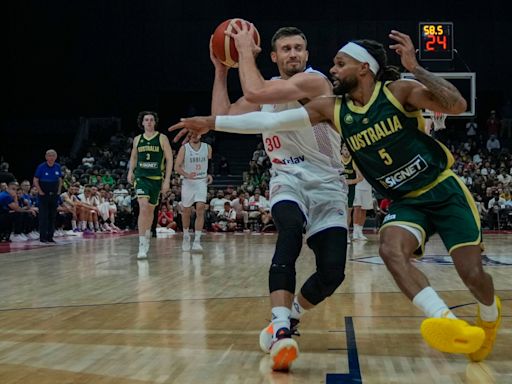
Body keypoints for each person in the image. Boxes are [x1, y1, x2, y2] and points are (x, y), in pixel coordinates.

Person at [172, 30, 501, 362]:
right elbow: (260, 115)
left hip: (413, 188)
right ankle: (444, 321)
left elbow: (458, 104)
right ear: (273, 56)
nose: (331, 68)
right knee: (380, 248)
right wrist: (214, 109)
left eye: (339, 63)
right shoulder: (332, 107)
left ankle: (488, 316)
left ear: (363, 68)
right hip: (352, 191)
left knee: (467, 274)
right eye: (286, 48)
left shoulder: (352, 87)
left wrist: (415, 67)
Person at [174, 25, 349, 371]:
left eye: (299, 47)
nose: (293, 54)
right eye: (286, 49)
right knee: (289, 230)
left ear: (307, 54)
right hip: (287, 180)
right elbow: (223, 115)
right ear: (273, 56)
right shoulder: (265, 92)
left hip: (328, 185)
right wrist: (222, 70)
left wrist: (241, 52)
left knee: (332, 274)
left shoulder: (315, 83)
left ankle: (289, 317)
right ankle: (281, 326)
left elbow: (253, 93)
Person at [128, 111, 173, 259]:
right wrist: (130, 172)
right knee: (143, 206)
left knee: (151, 210)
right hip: (141, 177)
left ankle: (147, 233)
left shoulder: (162, 138)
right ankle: (141, 245)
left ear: (155, 122)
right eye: (146, 120)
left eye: (151, 120)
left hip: (156, 178)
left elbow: (169, 159)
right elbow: (134, 156)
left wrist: (167, 180)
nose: (148, 122)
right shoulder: (137, 139)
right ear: (142, 123)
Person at [174, 135, 213, 251]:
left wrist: (209, 174)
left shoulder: (207, 147)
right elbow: (177, 167)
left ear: (201, 134)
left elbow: (209, 163)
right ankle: (186, 236)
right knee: (186, 210)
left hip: (201, 180)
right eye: (193, 133)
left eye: (198, 133)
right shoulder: (184, 148)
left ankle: (197, 241)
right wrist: (186, 174)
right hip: (188, 182)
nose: (196, 135)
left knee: (200, 208)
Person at [33, 149, 62, 243]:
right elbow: (35, 180)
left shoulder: (57, 166)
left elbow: (60, 179)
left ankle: (50, 236)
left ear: (56, 157)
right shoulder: (41, 167)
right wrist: (40, 191)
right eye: (49, 155)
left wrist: (59, 191)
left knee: (52, 216)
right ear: (46, 157)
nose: (51, 157)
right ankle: (43, 237)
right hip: (43, 194)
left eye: (53, 155)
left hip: (54, 194)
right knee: (44, 216)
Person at [340, 142, 363, 243]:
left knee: (348, 212)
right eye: (344, 149)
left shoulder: (353, 161)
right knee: (338, 210)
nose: (346, 151)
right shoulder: (337, 159)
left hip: (350, 189)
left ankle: (346, 234)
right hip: (338, 188)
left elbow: (361, 178)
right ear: (341, 150)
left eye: (348, 149)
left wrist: (350, 182)